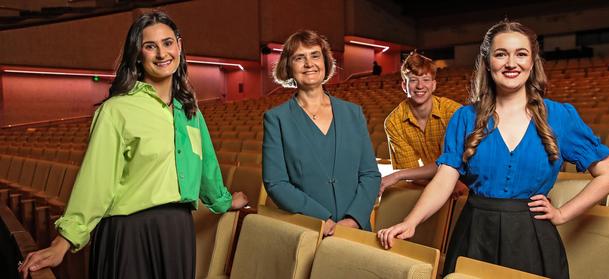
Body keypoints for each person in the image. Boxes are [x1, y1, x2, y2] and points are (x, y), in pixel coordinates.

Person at [377, 20, 609, 278]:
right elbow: (444, 180)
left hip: (533, 237)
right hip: (475, 234)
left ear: (532, 61)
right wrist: (411, 221)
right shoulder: (464, 118)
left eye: (521, 54)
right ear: (487, 62)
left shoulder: (560, 116)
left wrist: (562, 213)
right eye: (501, 54)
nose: (511, 63)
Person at [19, 11, 248, 279]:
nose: (162, 53)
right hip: (129, 233)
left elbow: (206, 167)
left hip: (177, 233)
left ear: (179, 46)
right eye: (150, 46)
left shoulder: (190, 113)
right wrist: (63, 241)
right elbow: (97, 181)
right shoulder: (116, 110)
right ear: (138, 54)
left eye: (167, 43)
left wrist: (224, 202)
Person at [263, 30, 381, 236]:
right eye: (300, 58)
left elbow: (370, 174)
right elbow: (276, 183)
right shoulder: (276, 119)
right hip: (308, 229)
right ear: (288, 67)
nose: (309, 63)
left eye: (315, 55)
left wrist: (353, 219)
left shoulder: (353, 113)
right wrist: (321, 220)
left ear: (325, 62)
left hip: (357, 231)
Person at [380, 51, 464, 196]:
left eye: (425, 79)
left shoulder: (454, 112)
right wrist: (442, 185)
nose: (420, 86)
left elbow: (456, 164)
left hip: (468, 181)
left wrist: (397, 175)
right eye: (413, 80)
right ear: (404, 86)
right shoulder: (393, 122)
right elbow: (410, 175)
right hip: (439, 183)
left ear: (434, 85)